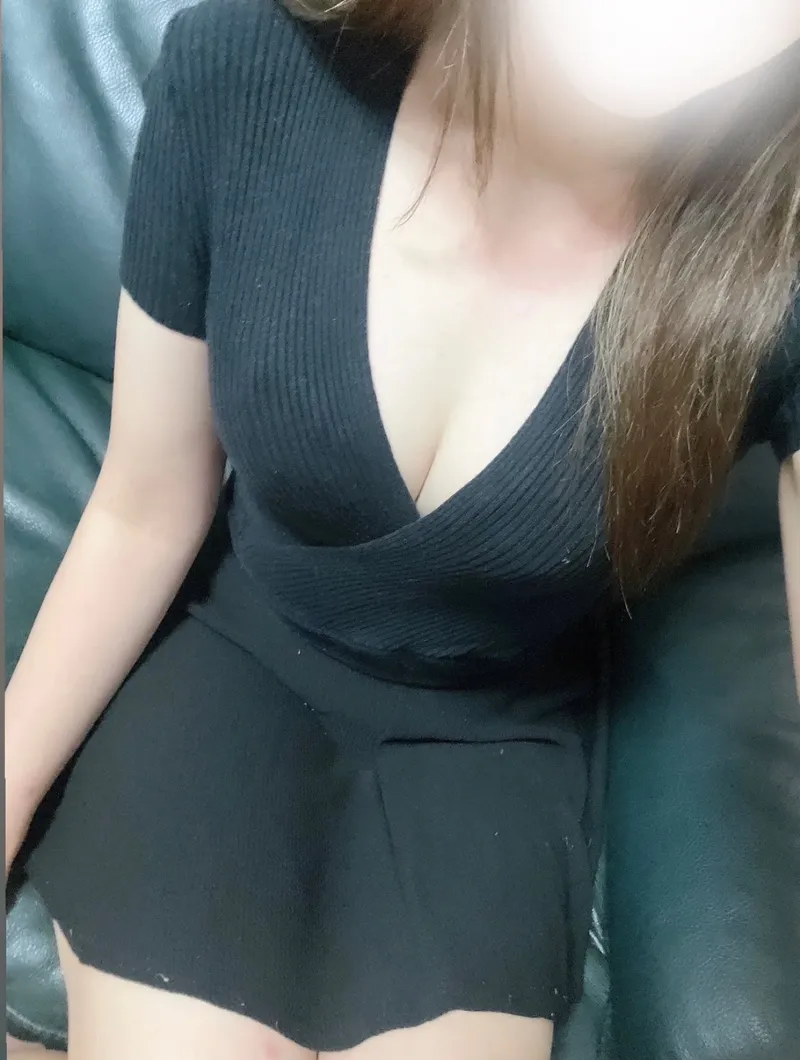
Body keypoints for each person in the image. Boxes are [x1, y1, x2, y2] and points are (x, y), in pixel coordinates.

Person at [5, 0, 800, 1057]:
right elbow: (142, 508)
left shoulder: (779, 246)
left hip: (491, 749)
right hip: (237, 660)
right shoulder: (246, 65)